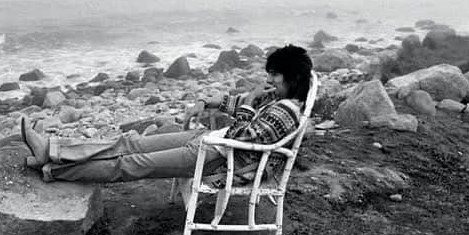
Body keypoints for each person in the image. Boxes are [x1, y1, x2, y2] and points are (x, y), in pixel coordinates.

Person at [20, 44, 313, 184]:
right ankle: (51, 149)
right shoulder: (281, 98)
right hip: (212, 141)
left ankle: (54, 170)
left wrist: (248, 101)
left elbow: (242, 133)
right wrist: (211, 102)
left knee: (131, 164)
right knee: (128, 143)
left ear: (293, 77)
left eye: (275, 75)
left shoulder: (286, 113)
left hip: (220, 158)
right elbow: (243, 106)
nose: (271, 81)